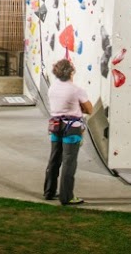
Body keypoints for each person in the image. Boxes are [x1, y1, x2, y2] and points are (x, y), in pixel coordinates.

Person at [43, 58, 93, 205]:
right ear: (71, 72)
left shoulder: (52, 88)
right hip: (72, 128)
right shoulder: (76, 90)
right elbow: (89, 109)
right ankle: (66, 197)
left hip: (55, 126)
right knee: (69, 162)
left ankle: (49, 192)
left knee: (54, 160)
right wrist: (79, 107)